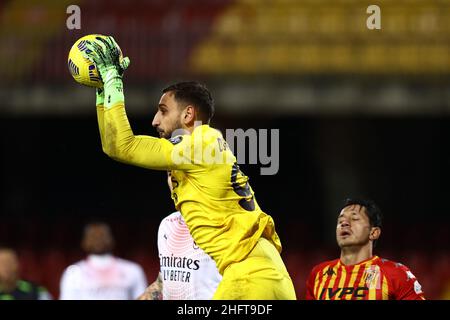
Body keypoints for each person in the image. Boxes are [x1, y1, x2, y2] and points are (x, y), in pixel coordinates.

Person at [83, 36, 296, 299]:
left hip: (249, 278)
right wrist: (103, 90)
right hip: (260, 275)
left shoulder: (204, 141)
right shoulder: (192, 158)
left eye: (163, 110)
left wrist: (114, 80)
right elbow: (113, 146)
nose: (154, 120)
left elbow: (124, 146)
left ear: (188, 115)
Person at [306, 199, 426, 300]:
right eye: (340, 220)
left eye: (354, 219)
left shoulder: (396, 273)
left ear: (373, 232)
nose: (344, 223)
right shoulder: (319, 273)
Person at [138, 173, 222, 300]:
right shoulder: (167, 224)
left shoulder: (224, 225)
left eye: (182, 172)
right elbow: (164, 280)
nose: (174, 179)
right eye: (169, 174)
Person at [59, 222, 148, 300]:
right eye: (93, 236)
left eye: (102, 235)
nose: (98, 239)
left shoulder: (132, 270)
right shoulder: (73, 273)